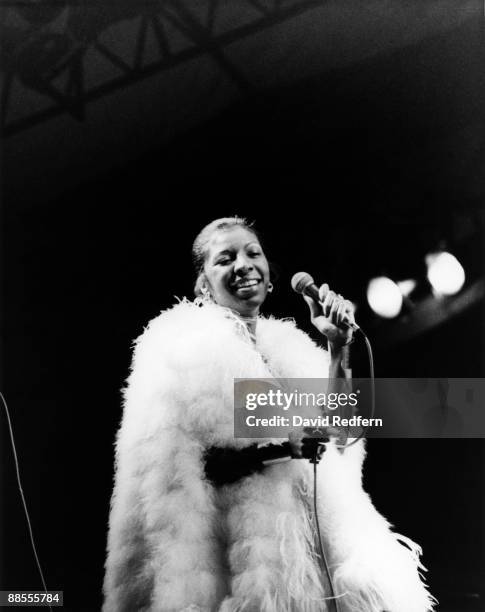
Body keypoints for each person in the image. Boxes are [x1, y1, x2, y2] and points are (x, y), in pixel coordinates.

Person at [103, 217, 435, 612]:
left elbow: (342, 435)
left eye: (252, 253)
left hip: (326, 557)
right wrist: (281, 448)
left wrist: (337, 347)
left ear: (269, 275)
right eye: (224, 259)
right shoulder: (179, 350)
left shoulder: (292, 350)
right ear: (203, 285)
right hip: (253, 567)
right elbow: (180, 476)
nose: (243, 264)